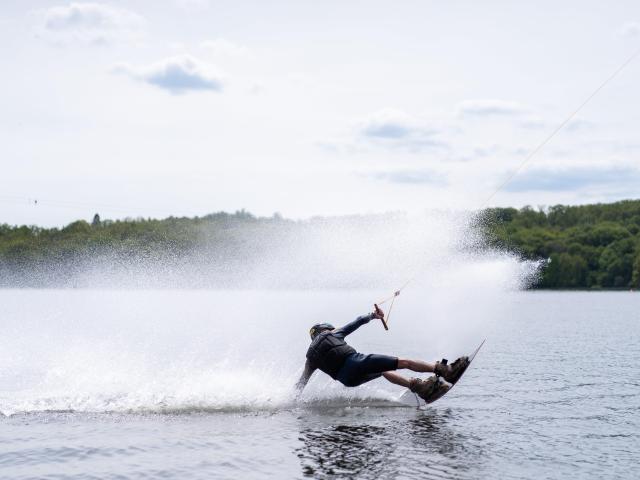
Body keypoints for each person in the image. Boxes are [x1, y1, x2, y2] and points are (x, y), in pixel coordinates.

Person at [295, 305, 469, 403]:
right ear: (325, 330)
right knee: (404, 362)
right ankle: (445, 371)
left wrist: (288, 401)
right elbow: (356, 322)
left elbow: (301, 383)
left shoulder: (310, 358)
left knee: (382, 371)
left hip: (349, 380)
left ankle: (419, 387)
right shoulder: (331, 334)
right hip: (356, 363)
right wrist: (373, 315)